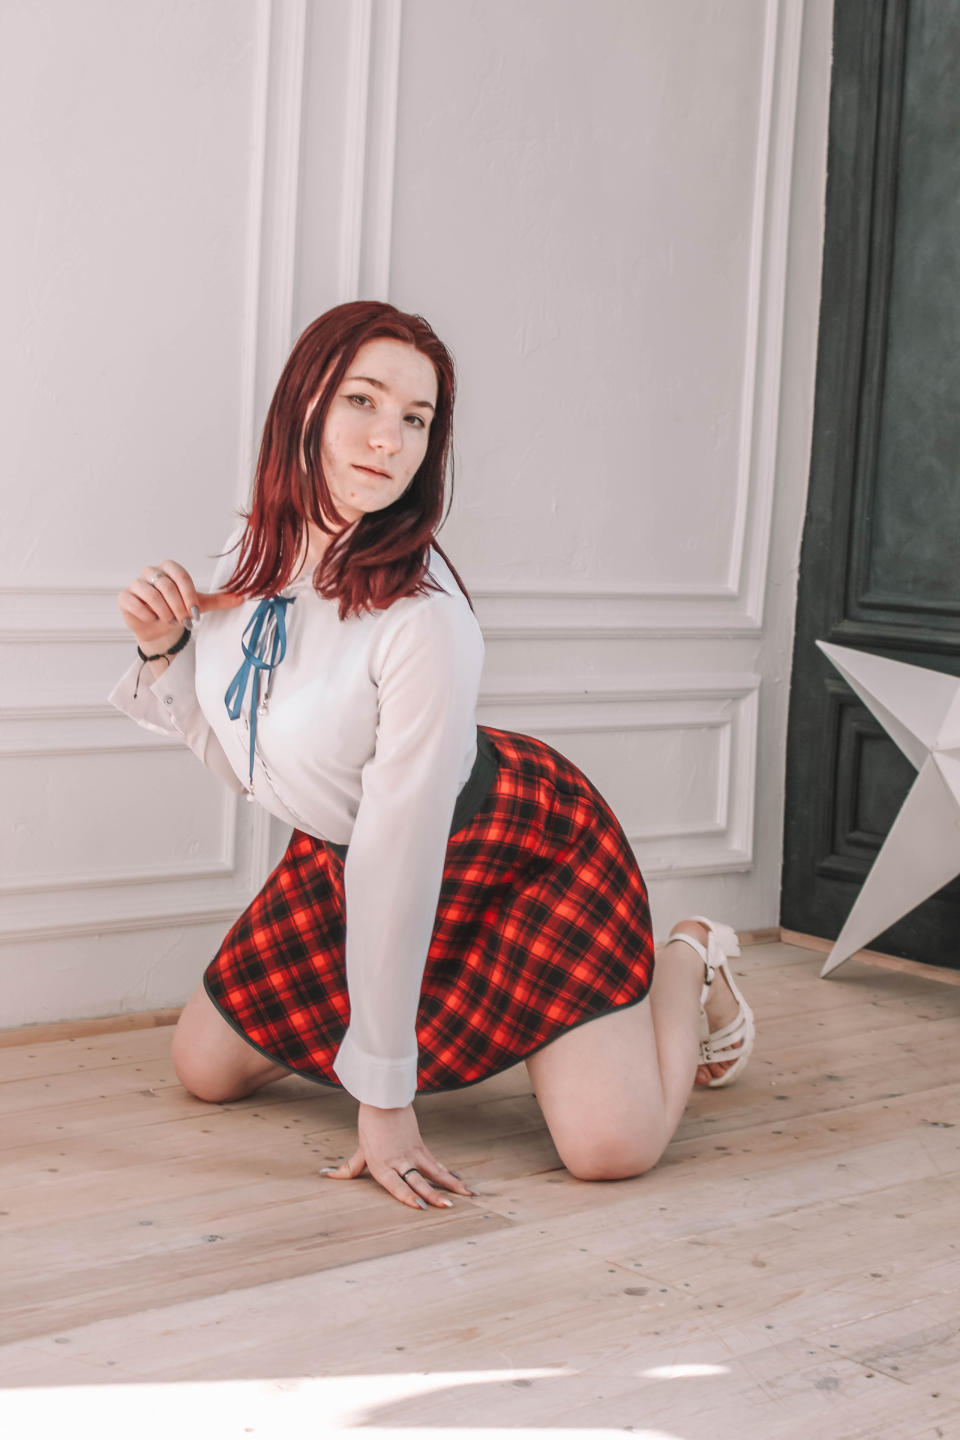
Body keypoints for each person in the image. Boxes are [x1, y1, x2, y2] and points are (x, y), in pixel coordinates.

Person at [109, 300, 756, 1214]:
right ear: (304, 404)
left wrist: (384, 1105)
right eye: (364, 401)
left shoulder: (424, 622)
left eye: (416, 420)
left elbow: (401, 860)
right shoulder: (252, 549)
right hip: (348, 845)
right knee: (202, 1069)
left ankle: (690, 960)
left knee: (611, 1149)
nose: (390, 440)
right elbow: (248, 755)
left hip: (514, 848)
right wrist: (164, 648)